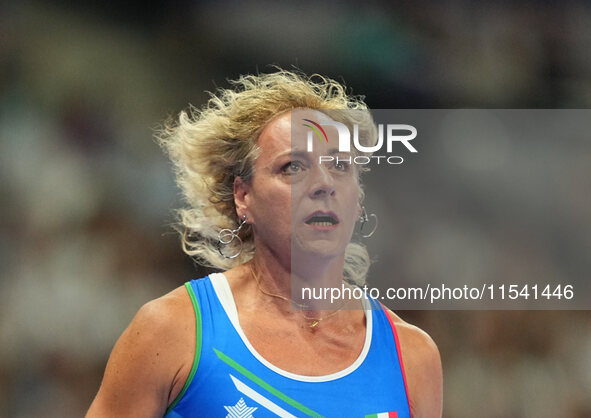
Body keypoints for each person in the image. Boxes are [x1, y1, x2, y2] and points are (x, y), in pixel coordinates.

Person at [86, 69, 442, 418]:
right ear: (243, 196)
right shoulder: (172, 331)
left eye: (339, 166)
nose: (323, 184)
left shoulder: (412, 356)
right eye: (292, 167)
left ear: (358, 201)